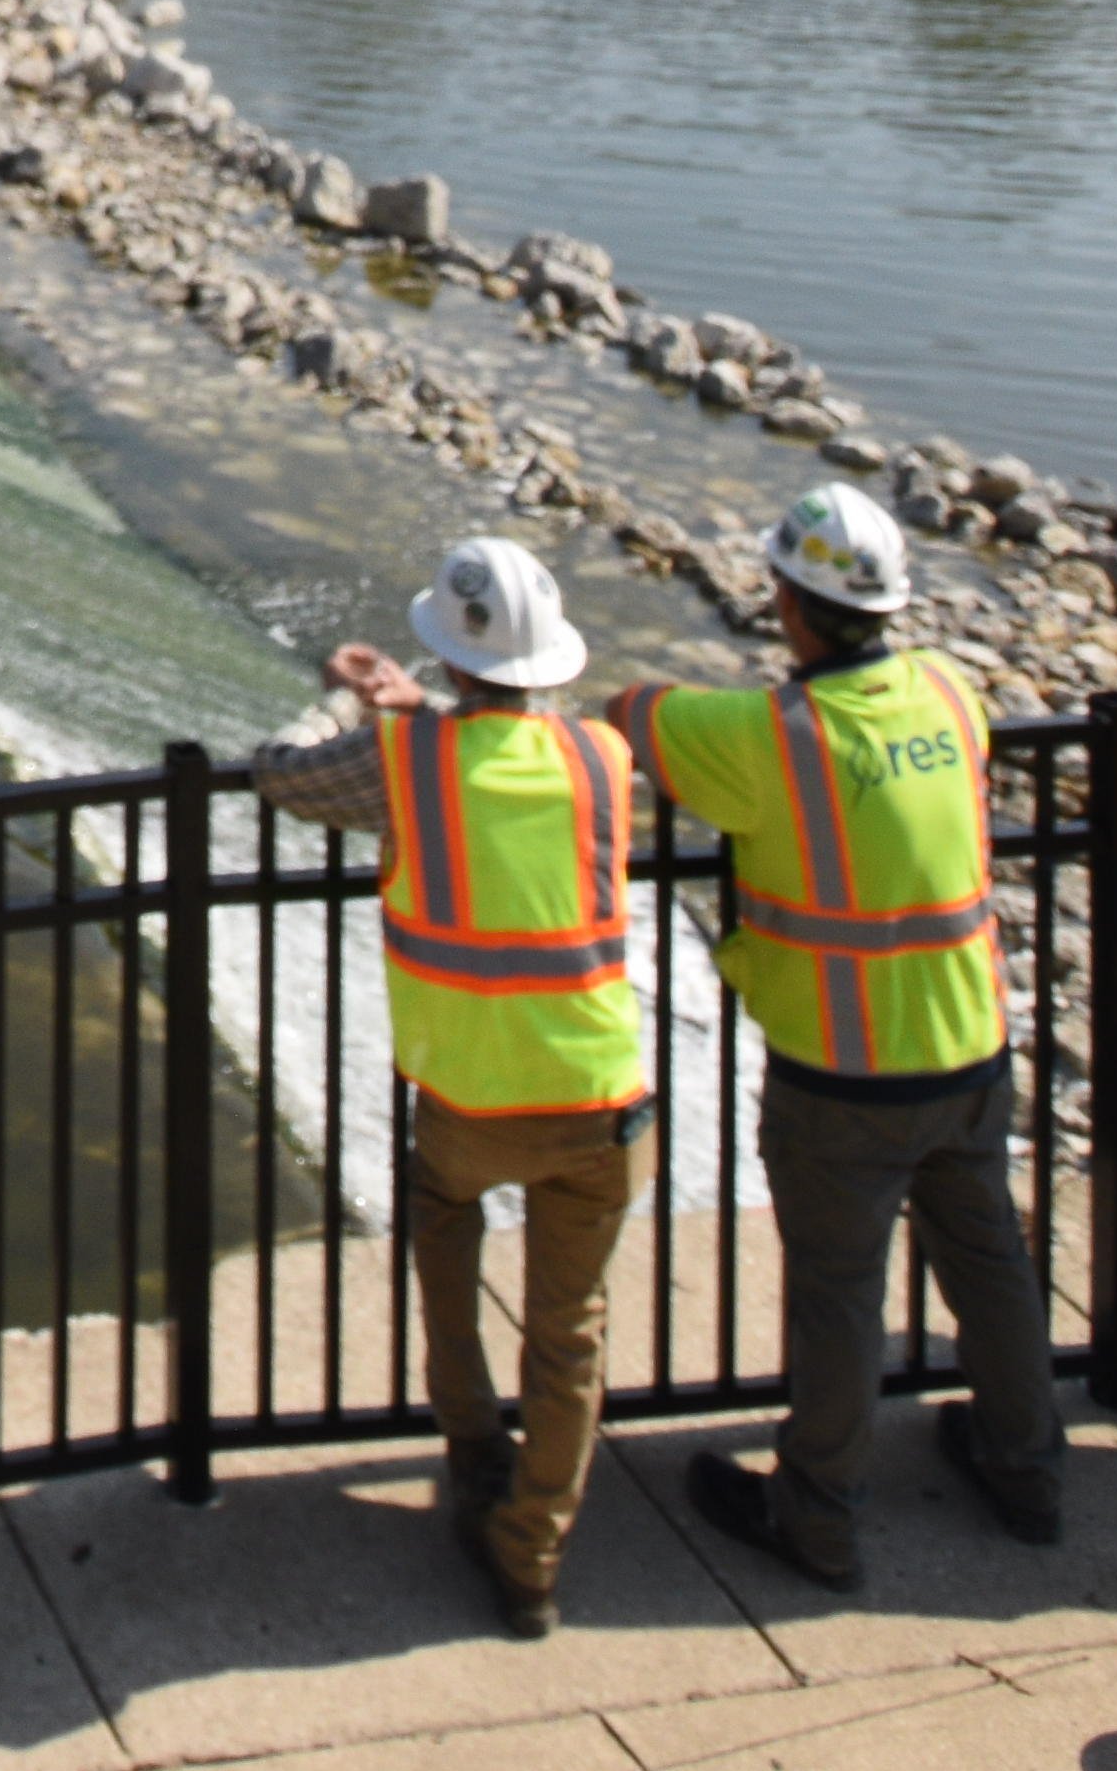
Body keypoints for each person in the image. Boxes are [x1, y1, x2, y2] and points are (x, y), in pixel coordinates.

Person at [622, 488, 1064, 1591]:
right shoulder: (951, 693)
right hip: (971, 1044)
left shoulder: (768, 734)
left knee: (838, 1298)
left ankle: (816, 1518)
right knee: (992, 1267)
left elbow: (633, 711)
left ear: (787, 600)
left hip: (844, 1074)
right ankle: (1029, 1473)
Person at [250, 537, 653, 1637]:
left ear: (449, 651)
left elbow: (280, 771)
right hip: (604, 1100)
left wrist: (345, 703)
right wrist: (414, 701)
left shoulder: (406, 763)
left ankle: (474, 1452)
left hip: (469, 1104)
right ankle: (533, 1553)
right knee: (572, 1333)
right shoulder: (603, 757)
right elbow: (505, 755)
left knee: (447, 1258)